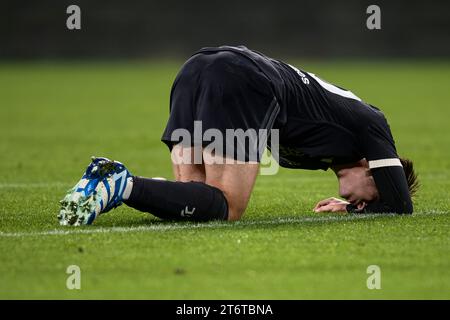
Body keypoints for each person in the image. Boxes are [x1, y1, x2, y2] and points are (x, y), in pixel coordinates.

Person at [58, 45, 418, 226]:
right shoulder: (372, 122)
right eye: (367, 200)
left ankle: (112, 183)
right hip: (244, 79)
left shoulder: (326, 151)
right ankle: (123, 184)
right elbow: (400, 205)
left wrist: (346, 206)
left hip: (197, 70)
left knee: (194, 204)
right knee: (228, 206)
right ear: (373, 169)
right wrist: (367, 208)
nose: (361, 205)